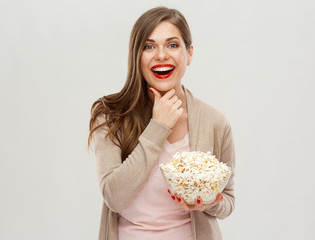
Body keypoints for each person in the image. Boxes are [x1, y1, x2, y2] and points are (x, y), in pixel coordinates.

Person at [88, 6, 235, 240]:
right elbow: (114, 197)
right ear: (136, 55)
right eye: (149, 46)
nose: (161, 55)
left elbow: (227, 201)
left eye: (173, 45)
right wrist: (158, 127)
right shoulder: (109, 116)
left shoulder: (215, 122)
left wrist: (207, 202)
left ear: (189, 53)